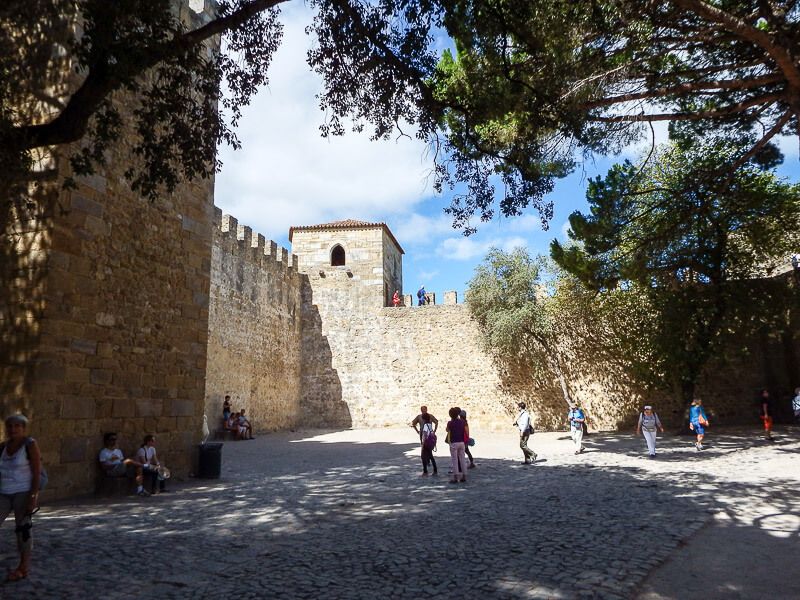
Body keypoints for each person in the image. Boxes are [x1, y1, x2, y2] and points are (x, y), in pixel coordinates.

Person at [0, 415, 42, 582]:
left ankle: (23, 567)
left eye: (17, 426)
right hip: (3, 492)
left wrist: (33, 496)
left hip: (23, 492)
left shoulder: (30, 445)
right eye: (10, 426)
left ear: (24, 428)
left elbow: (37, 472)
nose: (13, 429)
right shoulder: (3, 447)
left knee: (23, 530)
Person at [445, 407, 468, 483]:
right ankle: (464, 476)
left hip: (454, 442)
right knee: (462, 459)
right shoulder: (462, 422)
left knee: (455, 460)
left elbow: (447, 430)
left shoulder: (450, 423)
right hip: (461, 442)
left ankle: (456, 477)